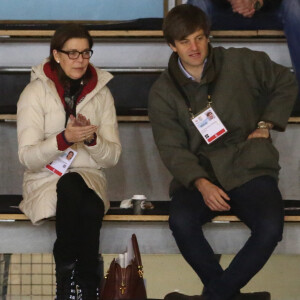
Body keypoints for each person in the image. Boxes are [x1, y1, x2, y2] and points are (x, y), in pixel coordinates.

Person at [148, 4, 298, 300]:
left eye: (200, 38)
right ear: (171, 45)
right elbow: (172, 149)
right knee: (180, 220)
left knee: (270, 226)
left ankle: (216, 296)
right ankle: (230, 295)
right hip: (201, 174)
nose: (194, 47)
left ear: (208, 37)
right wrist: (201, 183)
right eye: (185, 41)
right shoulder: (162, 92)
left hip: (249, 165)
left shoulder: (240, 61)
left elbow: (286, 80)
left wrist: (267, 123)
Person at [17, 24, 121, 300]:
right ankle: (88, 284)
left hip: (90, 176)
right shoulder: (34, 93)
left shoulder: (102, 94)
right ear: (57, 55)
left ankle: (65, 277)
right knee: (76, 192)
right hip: (44, 180)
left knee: (79, 187)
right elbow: (27, 157)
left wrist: (91, 140)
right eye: (72, 53)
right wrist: (63, 139)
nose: (80, 60)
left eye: (85, 53)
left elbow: (112, 158)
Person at [187, 0, 300, 115]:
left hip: (269, 10)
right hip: (222, 10)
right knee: (197, 4)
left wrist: (258, 2)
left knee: (294, 6)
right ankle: (196, 98)